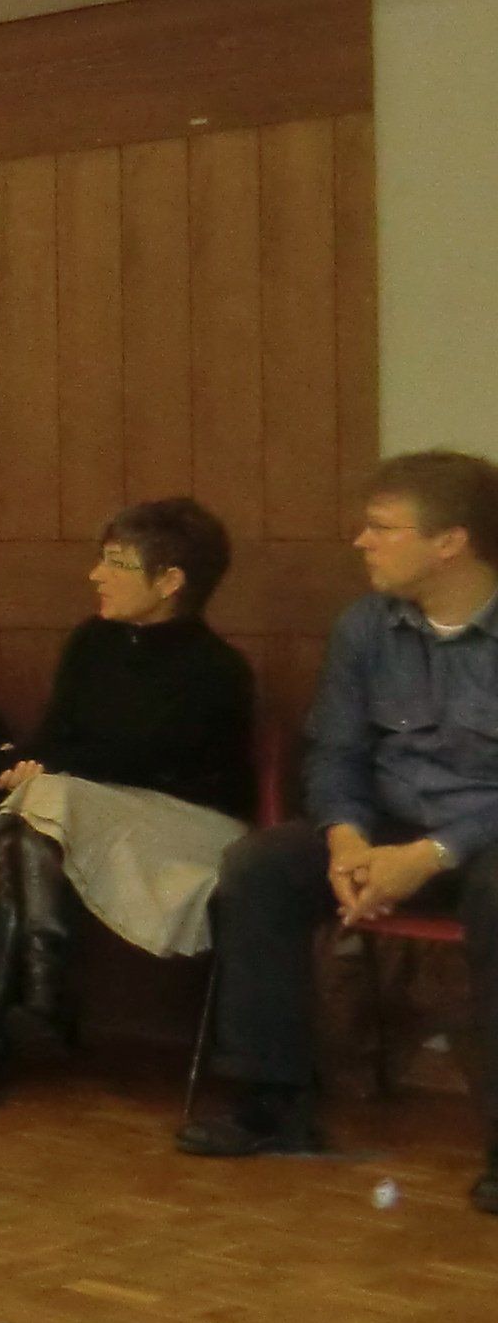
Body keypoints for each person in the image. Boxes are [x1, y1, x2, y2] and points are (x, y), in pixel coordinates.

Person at [182, 450, 498, 1204]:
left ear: (450, 542)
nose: (362, 542)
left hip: (482, 837)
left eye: (383, 528)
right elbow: (336, 751)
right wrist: (346, 838)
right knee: (261, 865)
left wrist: (432, 854)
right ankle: (273, 1103)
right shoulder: (366, 626)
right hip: (386, 823)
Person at [0, 498, 257, 1108]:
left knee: (43, 798)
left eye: (116, 563)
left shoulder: (217, 669)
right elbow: (60, 740)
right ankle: (20, 1004)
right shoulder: (91, 642)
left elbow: (133, 756)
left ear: (170, 582)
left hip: (189, 827)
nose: (95, 575)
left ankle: (6, 1020)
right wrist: (28, 767)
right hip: (87, 809)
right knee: (34, 811)